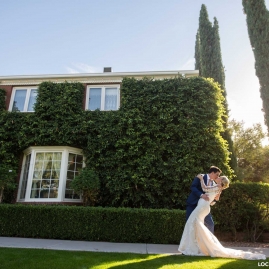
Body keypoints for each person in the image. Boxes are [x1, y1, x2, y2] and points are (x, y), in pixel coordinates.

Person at [178, 175, 266, 260]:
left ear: (221, 181)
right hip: (203, 206)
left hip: (202, 207)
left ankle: (192, 248)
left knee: (192, 222)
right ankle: (195, 247)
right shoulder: (218, 188)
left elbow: (205, 189)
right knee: (196, 225)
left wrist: (201, 179)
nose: (217, 177)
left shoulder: (217, 187)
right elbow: (214, 200)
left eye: (219, 177)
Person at [186, 166, 221, 234]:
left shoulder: (214, 184)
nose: (218, 176)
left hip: (203, 206)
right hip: (193, 204)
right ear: (212, 173)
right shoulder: (201, 176)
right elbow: (193, 187)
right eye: (217, 174)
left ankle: (209, 242)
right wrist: (202, 195)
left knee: (210, 224)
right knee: (189, 223)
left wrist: (213, 200)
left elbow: (212, 196)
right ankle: (190, 242)